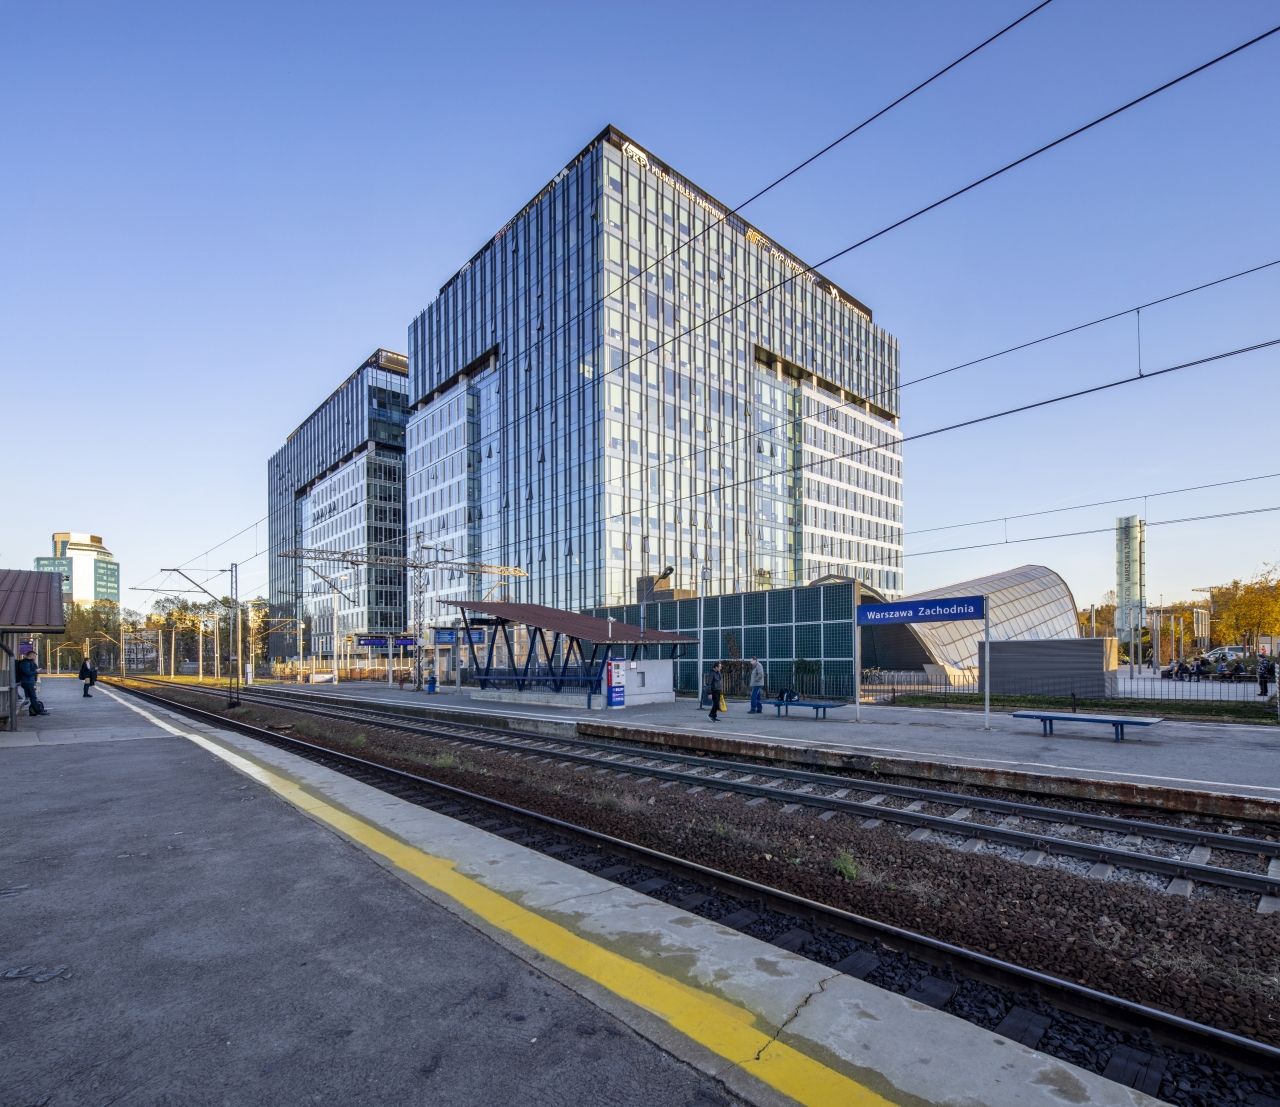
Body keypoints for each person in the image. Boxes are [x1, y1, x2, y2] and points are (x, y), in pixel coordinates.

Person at [16, 651, 48, 716]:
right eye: (34, 656)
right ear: (30, 655)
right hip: (27, 682)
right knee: (33, 697)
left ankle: (35, 710)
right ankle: (38, 711)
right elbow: (27, 673)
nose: (34, 657)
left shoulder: (29, 662)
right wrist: (35, 671)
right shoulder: (25, 663)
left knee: (32, 697)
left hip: (29, 682)